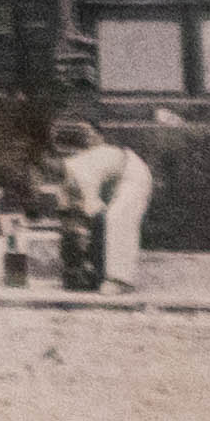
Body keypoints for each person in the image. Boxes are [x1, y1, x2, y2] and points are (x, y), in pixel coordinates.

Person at [46, 116, 153, 291]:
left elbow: (94, 212)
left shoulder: (81, 172)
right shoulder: (67, 175)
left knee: (116, 217)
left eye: (52, 167)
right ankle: (98, 273)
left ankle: (121, 281)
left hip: (134, 174)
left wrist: (82, 239)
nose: (50, 171)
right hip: (113, 179)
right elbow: (68, 213)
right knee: (89, 223)